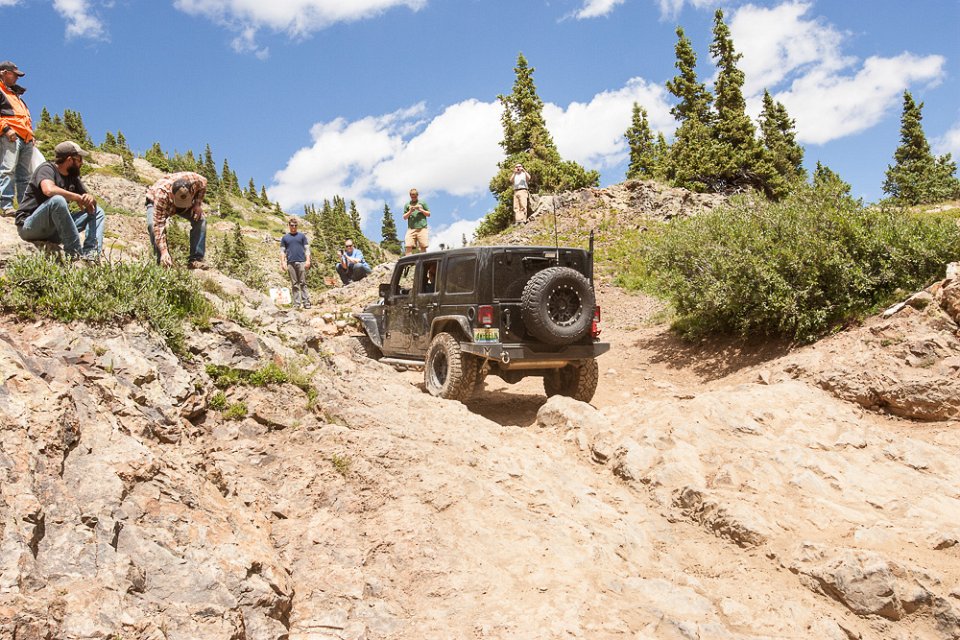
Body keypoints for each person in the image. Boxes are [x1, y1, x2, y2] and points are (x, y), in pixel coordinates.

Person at [14, 141, 104, 260]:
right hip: (30, 226)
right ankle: (74, 253)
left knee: (97, 211)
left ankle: (91, 254)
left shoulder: (73, 178)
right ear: (69, 159)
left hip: (54, 231)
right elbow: (49, 190)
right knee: (58, 201)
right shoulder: (46, 168)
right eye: (79, 159)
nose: (81, 163)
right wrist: (76, 197)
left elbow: (88, 200)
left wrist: (90, 198)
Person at [146, 172, 207, 269]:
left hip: (186, 204)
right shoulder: (161, 195)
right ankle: (162, 262)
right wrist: (164, 251)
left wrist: (197, 204)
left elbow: (204, 183)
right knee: (152, 226)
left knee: (201, 220)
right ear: (172, 194)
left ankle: (196, 259)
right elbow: (158, 225)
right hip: (158, 202)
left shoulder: (196, 181)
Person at [0, 61, 34, 217]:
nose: (17, 78)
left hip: (26, 137)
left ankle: (24, 209)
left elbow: (25, 117)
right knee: (8, 170)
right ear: (4, 72)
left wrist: (31, 134)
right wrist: (6, 129)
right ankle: (6, 206)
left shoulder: (15, 95)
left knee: (24, 176)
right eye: (14, 74)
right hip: (11, 135)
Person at [280, 217, 311, 309]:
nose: (293, 227)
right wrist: (282, 262)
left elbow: (307, 249)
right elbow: (282, 251)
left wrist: (308, 260)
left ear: (297, 226)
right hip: (290, 263)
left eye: (295, 225)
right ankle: (297, 303)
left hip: (302, 261)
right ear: (289, 226)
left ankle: (306, 302)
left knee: (303, 282)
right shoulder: (285, 238)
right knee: (294, 284)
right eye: (292, 225)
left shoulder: (302, 236)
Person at [402, 188, 429, 255]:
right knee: (408, 245)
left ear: (417, 195)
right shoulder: (407, 204)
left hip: (422, 228)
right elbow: (404, 217)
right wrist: (410, 211)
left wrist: (421, 209)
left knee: (423, 246)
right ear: (410, 196)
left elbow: (428, 214)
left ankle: (423, 260)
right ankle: (408, 260)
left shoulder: (422, 203)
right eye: (412, 197)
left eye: (415, 196)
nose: (413, 198)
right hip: (411, 229)